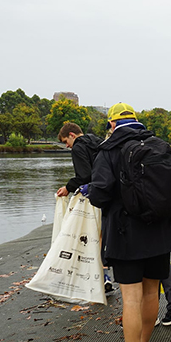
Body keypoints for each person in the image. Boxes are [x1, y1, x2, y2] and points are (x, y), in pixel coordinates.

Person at [84, 103, 171, 342]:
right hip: (160, 232)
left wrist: (90, 190)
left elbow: (100, 194)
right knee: (152, 290)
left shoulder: (109, 150)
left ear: (113, 124)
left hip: (126, 234)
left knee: (130, 298)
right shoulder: (158, 144)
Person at [56, 123, 113, 293]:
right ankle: (105, 276)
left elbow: (84, 175)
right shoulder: (97, 141)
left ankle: (100, 278)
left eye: (66, 141)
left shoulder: (78, 148)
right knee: (104, 236)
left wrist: (68, 187)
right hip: (110, 193)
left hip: (94, 195)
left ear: (72, 135)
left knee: (92, 236)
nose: (67, 145)